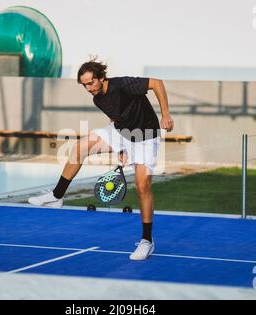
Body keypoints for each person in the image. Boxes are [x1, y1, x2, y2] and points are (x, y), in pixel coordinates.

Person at [29, 58, 174, 260]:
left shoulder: (124, 84)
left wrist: (165, 115)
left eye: (90, 83)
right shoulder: (98, 98)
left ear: (101, 78)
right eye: (84, 85)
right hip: (121, 133)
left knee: (143, 187)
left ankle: (147, 241)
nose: (88, 88)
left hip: (146, 137)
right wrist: (121, 147)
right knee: (80, 148)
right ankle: (57, 195)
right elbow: (116, 117)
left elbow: (157, 83)